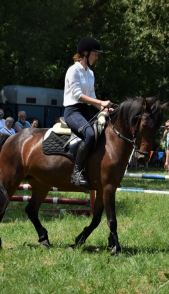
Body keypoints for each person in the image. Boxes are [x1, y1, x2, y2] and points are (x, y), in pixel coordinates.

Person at [63, 37, 113, 187]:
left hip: (85, 111)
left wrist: (104, 108)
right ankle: (77, 173)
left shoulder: (90, 73)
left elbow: (91, 97)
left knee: (103, 132)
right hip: (72, 111)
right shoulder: (73, 71)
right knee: (90, 134)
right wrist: (100, 103)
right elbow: (78, 95)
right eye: (95, 53)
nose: (97, 57)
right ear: (85, 53)